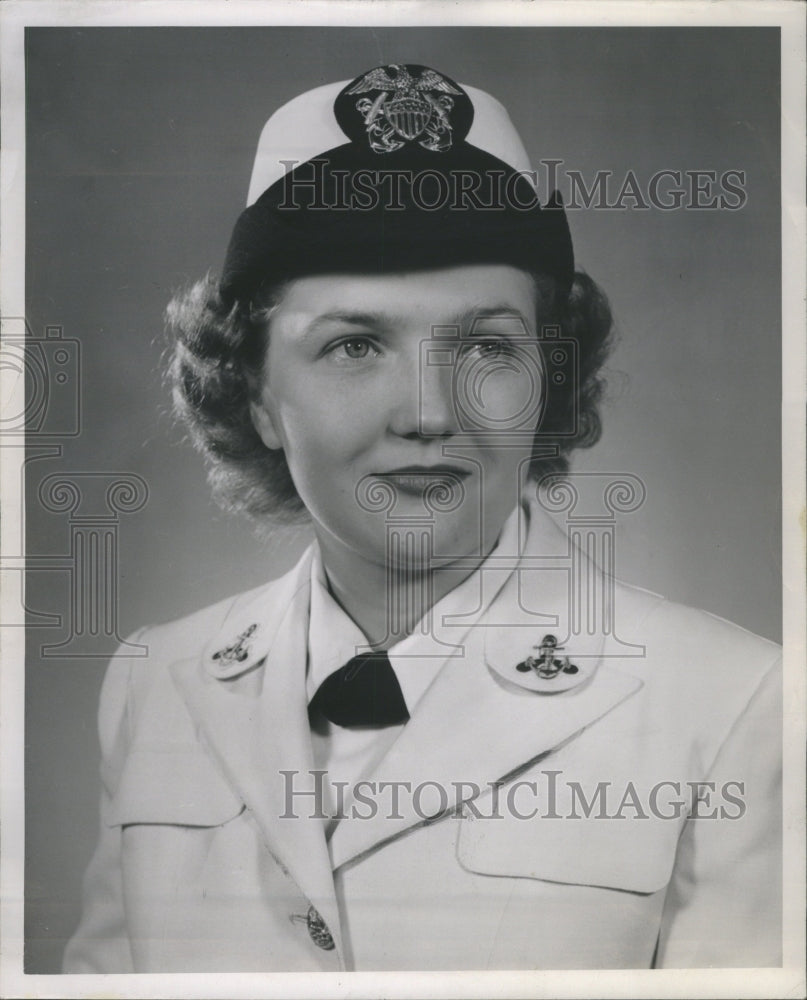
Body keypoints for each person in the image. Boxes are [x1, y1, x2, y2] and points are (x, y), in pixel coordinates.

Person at [63, 64, 781, 973]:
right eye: (354, 346)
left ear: (546, 380)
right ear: (253, 396)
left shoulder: (734, 703)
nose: (429, 412)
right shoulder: (153, 681)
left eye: (485, 346)